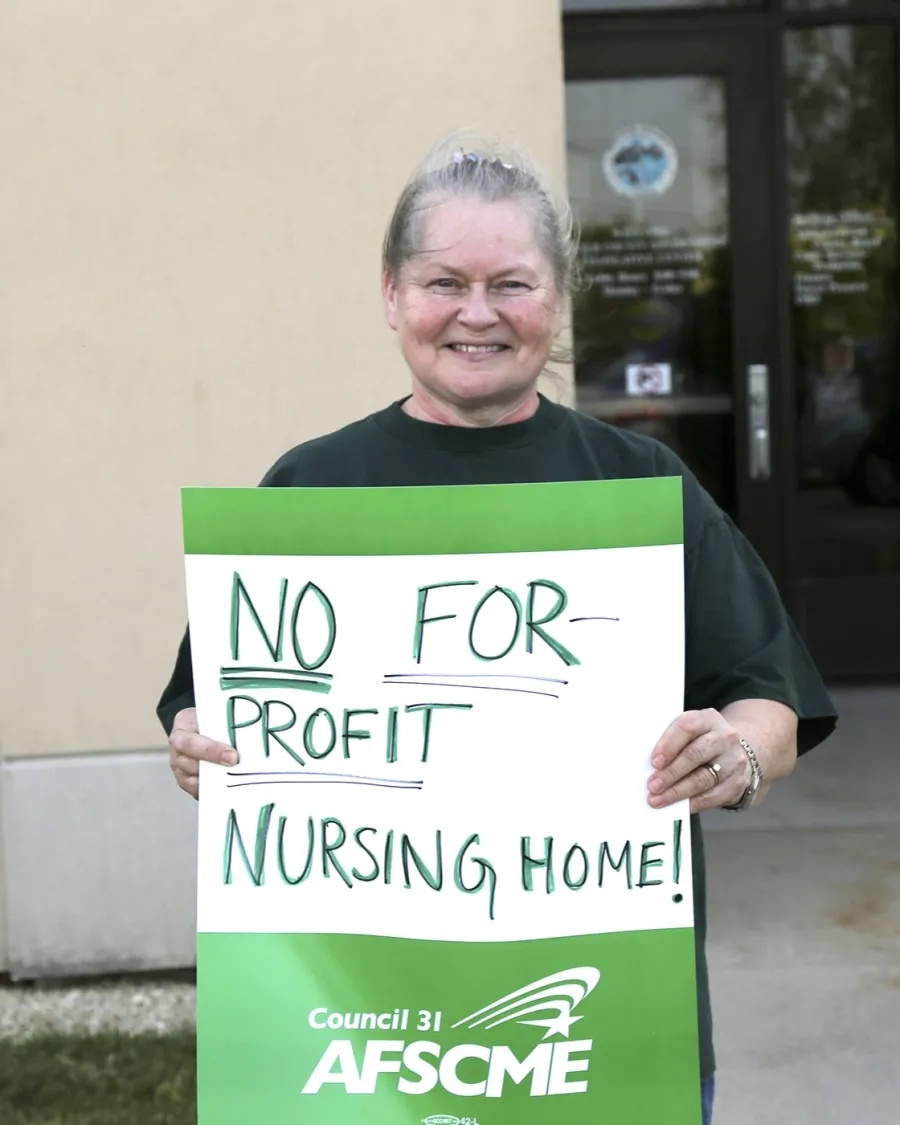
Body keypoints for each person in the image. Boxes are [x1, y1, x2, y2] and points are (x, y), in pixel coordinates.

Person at [158, 136, 837, 1124]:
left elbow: (766, 695)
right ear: (392, 294)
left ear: (555, 302)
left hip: (609, 1012)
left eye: (511, 283)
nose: (477, 313)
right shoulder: (310, 489)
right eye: (444, 281)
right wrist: (194, 749)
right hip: (358, 1023)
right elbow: (206, 708)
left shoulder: (639, 489)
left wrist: (736, 754)